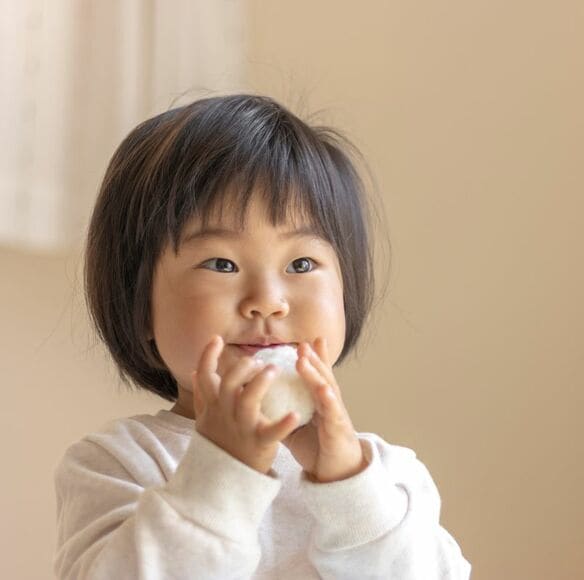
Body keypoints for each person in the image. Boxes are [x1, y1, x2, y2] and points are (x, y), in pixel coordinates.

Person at [53, 94, 472, 579]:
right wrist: (223, 470)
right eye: (221, 263)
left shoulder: (387, 478)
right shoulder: (117, 463)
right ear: (139, 303)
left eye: (302, 263)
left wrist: (349, 486)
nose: (268, 301)